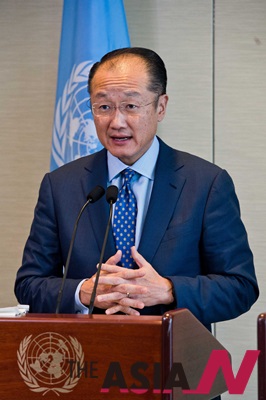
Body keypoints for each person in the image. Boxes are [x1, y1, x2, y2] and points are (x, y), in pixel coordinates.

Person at [15, 47, 259, 332]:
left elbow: (240, 286)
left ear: (161, 107)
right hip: (86, 359)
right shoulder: (61, 185)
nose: (116, 122)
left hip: (175, 363)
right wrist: (84, 291)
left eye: (131, 106)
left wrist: (168, 290)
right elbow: (29, 284)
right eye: (103, 107)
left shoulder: (205, 184)